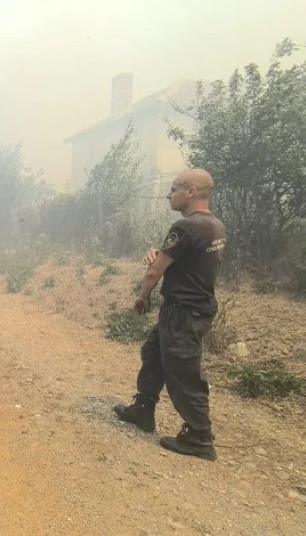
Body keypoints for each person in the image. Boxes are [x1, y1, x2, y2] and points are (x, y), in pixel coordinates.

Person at [113, 168, 227, 461]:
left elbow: (154, 271)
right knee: (153, 354)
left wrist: (142, 297)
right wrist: (158, 252)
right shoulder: (214, 225)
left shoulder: (186, 227)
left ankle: (199, 437)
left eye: (174, 189)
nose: (168, 194)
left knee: (184, 371)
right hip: (188, 309)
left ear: (191, 192)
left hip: (183, 312)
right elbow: (179, 260)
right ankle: (143, 409)